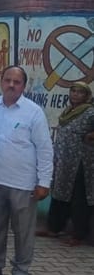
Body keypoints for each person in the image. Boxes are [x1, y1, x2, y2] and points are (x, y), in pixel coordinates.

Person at [0, 66, 53, 275]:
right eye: (8, 80)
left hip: (23, 183)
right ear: (1, 81)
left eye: (17, 82)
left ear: (24, 86)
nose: (11, 85)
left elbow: (45, 149)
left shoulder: (33, 112)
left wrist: (44, 182)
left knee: (23, 232)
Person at [42, 81, 94, 246]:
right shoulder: (68, 111)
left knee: (79, 197)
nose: (75, 95)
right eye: (73, 91)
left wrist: (90, 136)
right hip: (64, 160)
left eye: (80, 92)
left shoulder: (90, 112)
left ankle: (78, 234)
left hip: (81, 161)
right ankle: (54, 228)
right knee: (59, 193)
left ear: (87, 96)